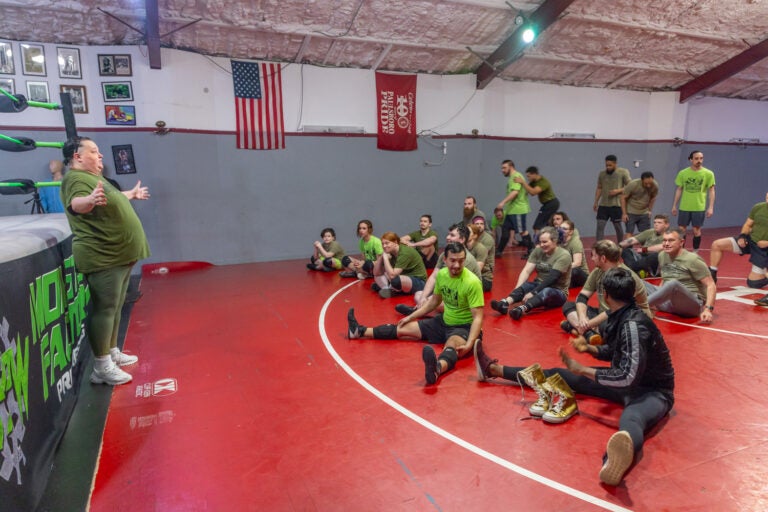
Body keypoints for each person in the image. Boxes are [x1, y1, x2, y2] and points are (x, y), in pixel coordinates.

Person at [475, 267, 674, 486]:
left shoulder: (633, 325)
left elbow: (627, 377)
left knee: (632, 419)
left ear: (605, 295)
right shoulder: (622, 314)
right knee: (560, 374)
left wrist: (584, 370)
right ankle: (494, 370)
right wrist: (589, 349)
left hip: (653, 392)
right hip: (629, 383)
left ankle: (613, 462)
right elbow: (615, 351)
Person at [59, 136, 150, 385]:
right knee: (105, 308)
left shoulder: (93, 179)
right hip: (104, 255)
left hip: (118, 254)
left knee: (115, 306)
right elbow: (76, 203)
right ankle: (101, 367)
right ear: (77, 156)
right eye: (94, 151)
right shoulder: (75, 178)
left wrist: (129, 194)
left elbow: (110, 198)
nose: (100, 156)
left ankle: (110, 353)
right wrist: (88, 202)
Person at [348, 242, 484, 386]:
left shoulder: (472, 282)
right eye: (453, 260)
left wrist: (469, 344)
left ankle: (436, 369)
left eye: (461, 261)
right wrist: (412, 316)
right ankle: (359, 331)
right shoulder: (443, 275)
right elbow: (434, 302)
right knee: (402, 328)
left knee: (451, 346)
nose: (457, 265)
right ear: (445, 259)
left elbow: (478, 317)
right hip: (443, 322)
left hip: (464, 328)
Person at [561, 239, 651, 346]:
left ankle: (578, 328)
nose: (592, 258)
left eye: (593, 255)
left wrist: (589, 323)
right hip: (605, 314)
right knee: (569, 306)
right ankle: (588, 333)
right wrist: (582, 318)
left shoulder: (625, 277)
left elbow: (615, 310)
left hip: (630, 317)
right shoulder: (598, 271)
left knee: (608, 327)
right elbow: (582, 296)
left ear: (603, 258)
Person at [395, 223, 482, 315]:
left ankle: (419, 312)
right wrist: (423, 297)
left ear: (462, 239)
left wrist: (431, 299)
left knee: (436, 302)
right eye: (448, 234)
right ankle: (430, 312)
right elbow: (433, 277)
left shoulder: (465, 259)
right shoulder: (445, 254)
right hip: (448, 291)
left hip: (465, 297)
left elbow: (454, 287)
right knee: (419, 295)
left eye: (452, 235)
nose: (447, 237)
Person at [489, 226, 571, 320]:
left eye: (545, 242)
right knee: (526, 286)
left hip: (557, 291)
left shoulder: (564, 255)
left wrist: (533, 293)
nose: (542, 245)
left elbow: (552, 278)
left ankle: (521, 309)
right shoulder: (538, 251)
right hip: (539, 284)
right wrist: (517, 289)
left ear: (555, 241)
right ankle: (504, 303)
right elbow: (527, 270)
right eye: (540, 242)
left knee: (546, 291)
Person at [644, 228, 716, 323]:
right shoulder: (662, 255)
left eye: (671, 240)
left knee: (673, 284)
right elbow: (665, 278)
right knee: (635, 280)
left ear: (681, 242)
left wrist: (708, 309)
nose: (666, 244)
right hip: (668, 303)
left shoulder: (692, 259)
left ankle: (639, 307)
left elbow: (711, 285)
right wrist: (658, 297)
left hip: (690, 306)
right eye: (664, 240)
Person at [708, 191, 768, 289]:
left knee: (753, 284)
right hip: (751, 241)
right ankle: (712, 274)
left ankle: (763, 273)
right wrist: (743, 236)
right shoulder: (758, 207)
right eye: (767, 198)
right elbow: (748, 224)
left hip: (763, 249)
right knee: (717, 244)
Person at [671, 150, 716, 252]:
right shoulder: (683, 173)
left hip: (699, 207)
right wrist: (674, 205)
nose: (699, 161)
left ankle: (695, 252)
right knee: (681, 230)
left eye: (701, 158)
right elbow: (679, 189)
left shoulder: (708, 173)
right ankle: (681, 251)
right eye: (696, 158)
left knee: (696, 230)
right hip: (684, 206)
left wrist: (711, 207)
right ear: (691, 159)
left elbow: (712, 190)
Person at [371, 232, 427, 298]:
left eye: (387, 243)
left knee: (396, 281)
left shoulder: (405, 252)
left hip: (418, 281)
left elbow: (392, 275)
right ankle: (387, 288)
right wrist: (381, 257)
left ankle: (392, 289)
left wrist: (385, 258)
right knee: (381, 273)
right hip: (402, 277)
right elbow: (376, 273)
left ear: (395, 242)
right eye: (382, 244)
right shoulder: (390, 251)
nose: (384, 246)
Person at [495, 159, 532, 257]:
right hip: (511, 210)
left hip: (518, 209)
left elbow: (515, 192)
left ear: (511, 167)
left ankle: (531, 252)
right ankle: (498, 252)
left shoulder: (516, 176)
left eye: (504, 168)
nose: (502, 170)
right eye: (502, 168)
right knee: (505, 230)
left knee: (522, 231)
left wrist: (502, 202)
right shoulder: (512, 177)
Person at [593, 155, 631, 242]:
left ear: (615, 164)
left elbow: (630, 186)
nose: (608, 167)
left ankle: (620, 244)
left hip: (616, 205)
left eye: (610, 165)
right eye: (606, 165)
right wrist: (596, 201)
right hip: (603, 205)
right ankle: (599, 245)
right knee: (600, 225)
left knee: (617, 226)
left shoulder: (623, 172)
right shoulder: (602, 174)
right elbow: (599, 188)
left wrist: (618, 191)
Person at [515, 166, 560, 238]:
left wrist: (522, 182)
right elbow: (527, 190)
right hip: (547, 204)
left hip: (551, 203)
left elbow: (533, 192)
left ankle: (538, 244)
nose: (528, 178)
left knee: (537, 226)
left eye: (529, 176)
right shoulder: (534, 182)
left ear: (534, 174)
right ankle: (552, 241)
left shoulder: (543, 182)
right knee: (548, 226)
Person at [621, 171, 659, 237]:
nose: (648, 185)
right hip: (631, 211)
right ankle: (628, 247)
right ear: (642, 180)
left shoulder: (655, 185)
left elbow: (653, 198)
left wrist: (649, 210)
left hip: (644, 212)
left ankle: (645, 247)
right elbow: (623, 198)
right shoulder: (633, 184)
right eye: (646, 183)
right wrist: (624, 214)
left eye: (650, 183)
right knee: (629, 231)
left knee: (646, 233)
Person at [560, 220, 588, 288]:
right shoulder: (558, 242)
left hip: (580, 274)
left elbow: (577, 263)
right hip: (565, 272)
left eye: (565, 229)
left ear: (571, 232)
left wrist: (560, 269)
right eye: (560, 228)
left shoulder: (575, 242)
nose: (561, 230)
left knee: (574, 271)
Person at [467, 223, 494, 291]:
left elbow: (477, 270)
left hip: (483, 278)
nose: (465, 234)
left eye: (468, 232)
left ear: (475, 235)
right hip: (468, 276)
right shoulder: (463, 247)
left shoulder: (480, 248)